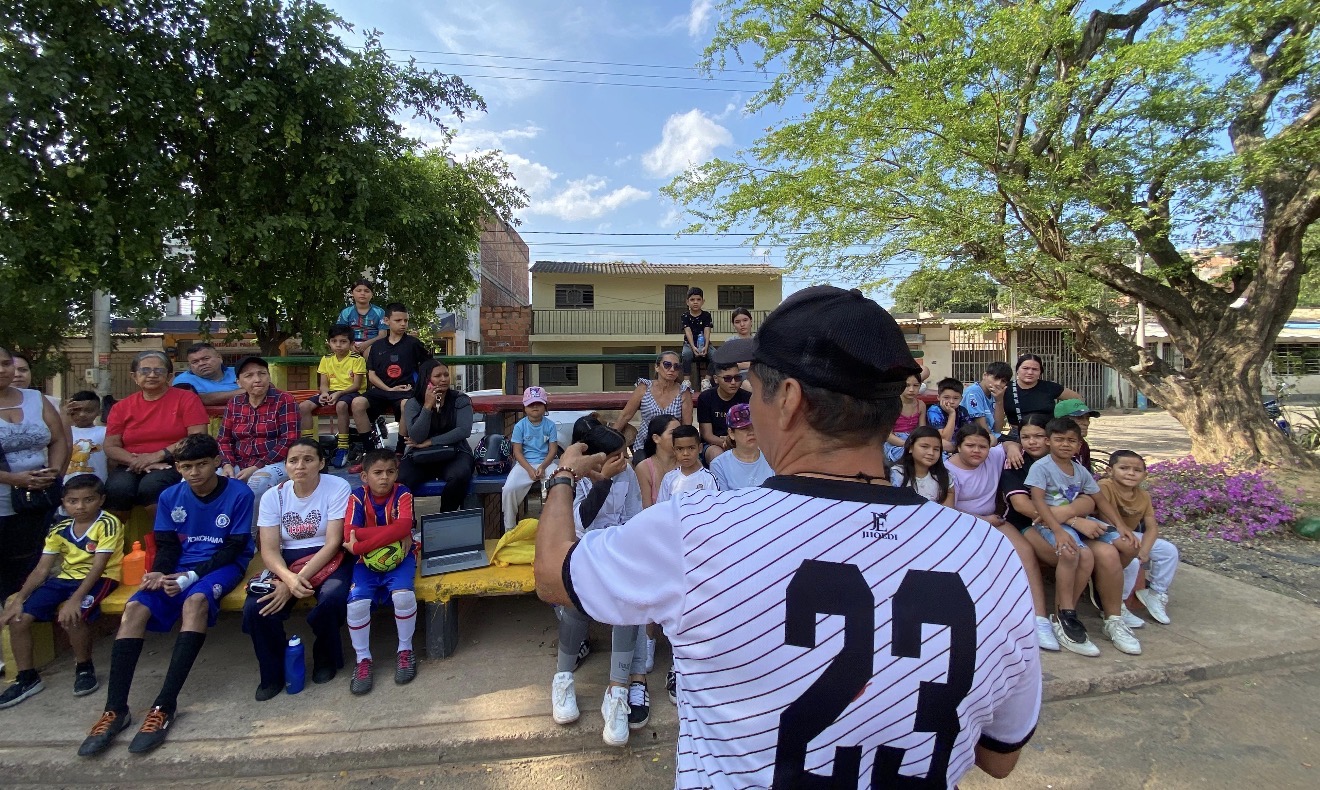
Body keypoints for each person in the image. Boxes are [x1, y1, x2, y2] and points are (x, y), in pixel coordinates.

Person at [534, 286, 1039, 787]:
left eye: (754, 392)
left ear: (790, 400)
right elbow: (999, 757)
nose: (751, 407)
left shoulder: (695, 530)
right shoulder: (992, 554)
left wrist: (562, 478)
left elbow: (555, 572)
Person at [78, 434, 254, 756]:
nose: (195, 472)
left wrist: (190, 577)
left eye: (202, 464)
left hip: (221, 566)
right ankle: (114, 710)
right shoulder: (171, 495)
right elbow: (168, 544)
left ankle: (164, 706)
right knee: (134, 609)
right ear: (177, 467)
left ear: (216, 461)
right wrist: (160, 571)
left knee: (195, 602)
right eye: (187, 466)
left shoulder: (239, 493)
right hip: (179, 566)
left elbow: (234, 547)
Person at [547, 425, 648, 747]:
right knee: (575, 605)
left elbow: (634, 517)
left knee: (628, 600)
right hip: (581, 550)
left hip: (617, 549)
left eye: (624, 454)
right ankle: (562, 680)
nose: (623, 461)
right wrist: (601, 482)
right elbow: (579, 523)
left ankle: (617, 690)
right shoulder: (567, 476)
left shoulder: (628, 474)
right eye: (615, 456)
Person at [242, 438, 351, 699]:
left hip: (328, 556)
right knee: (256, 607)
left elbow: (334, 542)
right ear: (286, 465)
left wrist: (295, 582)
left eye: (308, 459)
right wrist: (288, 579)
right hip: (287, 560)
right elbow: (269, 550)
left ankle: (325, 657)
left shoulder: (337, 487)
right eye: (293, 460)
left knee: (332, 598)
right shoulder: (273, 496)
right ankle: (272, 671)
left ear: (322, 463)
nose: (300, 466)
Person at [0, 475, 122, 708]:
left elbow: (98, 566)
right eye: (73, 501)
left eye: (88, 500)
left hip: (101, 578)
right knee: (18, 619)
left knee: (71, 617)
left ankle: (84, 668)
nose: (80, 506)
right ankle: (27, 678)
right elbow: (41, 569)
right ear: (63, 503)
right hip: (65, 579)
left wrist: (74, 600)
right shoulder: (60, 528)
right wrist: (20, 599)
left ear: (101, 500)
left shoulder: (107, 523)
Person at [1027, 418, 1143, 656]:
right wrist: (1058, 530)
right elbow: (1037, 501)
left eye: (1071, 440)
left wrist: (1120, 526)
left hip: (1080, 521)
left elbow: (1099, 499)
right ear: (1048, 442)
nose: (1065, 445)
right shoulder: (1041, 467)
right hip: (1050, 524)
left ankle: (1106, 602)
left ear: (1080, 444)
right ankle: (1064, 615)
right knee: (1072, 552)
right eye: (1059, 440)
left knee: (1129, 545)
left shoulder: (1079, 469)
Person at [946, 424, 1060, 652]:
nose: (976, 451)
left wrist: (1012, 447)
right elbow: (948, 510)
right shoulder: (947, 469)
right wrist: (982, 519)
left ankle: (1039, 619)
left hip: (995, 520)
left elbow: (1007, 443)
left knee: (1024, 552)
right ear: (958, 447)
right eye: (969, 445)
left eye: (982, 446)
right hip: (961, 523)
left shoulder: (994, 457)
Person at [1000, 413, 1094, 654]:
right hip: (1026, 524)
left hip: (1058, 524)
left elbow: (1088, 498)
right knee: (1070, 554)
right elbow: (1022, 506)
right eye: (1025, 437)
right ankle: (1049, 617)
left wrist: (1073, 516)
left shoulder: (1067, 463)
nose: (1032, 442)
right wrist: (1072, 518)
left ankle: (1064, 616)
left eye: (1039, 436)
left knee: (1088, 556)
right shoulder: (1017, 462)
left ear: (1050, 438)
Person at [343, 450, 417, 694]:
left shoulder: (403, 493)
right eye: (377, 473)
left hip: (401, 557)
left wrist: (361, 544)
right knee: (356, 604)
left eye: (390, 472)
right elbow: (348, 533)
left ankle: (404, 650)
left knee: (403, 596)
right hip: (365, 563)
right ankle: (363, 660)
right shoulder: (356, 497)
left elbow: (405, 526)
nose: (384, 478)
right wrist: (394, 532)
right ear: (364, 476)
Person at [103, 351, 209, 522]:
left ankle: (163, 540)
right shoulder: (121, 407)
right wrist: (137, 461)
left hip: (173, 461)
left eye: (158, 371)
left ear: (169, 376)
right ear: (134, 376)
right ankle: (115, 543)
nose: (152, 375)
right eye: (145, 371)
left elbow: (197, 436)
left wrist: (156, 456)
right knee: (117, 489)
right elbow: (110, 446)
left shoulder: (187, 399)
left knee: (152, 486)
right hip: (132, 462)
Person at [0, 346, 71, 601]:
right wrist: (13, 479)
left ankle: (26, 618)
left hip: (36, 497)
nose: (3, 370)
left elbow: (58, 439)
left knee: (31, 560)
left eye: (6, 363)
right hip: (4, 497)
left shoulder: (34, 398)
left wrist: (53, 472)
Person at [1098, 450, 1180, 625]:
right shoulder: (1105, 486)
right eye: (1124, 468)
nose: (1130, 473)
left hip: (1131, 536)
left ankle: (1156, 593)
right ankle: (1117, 605)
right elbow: (1107, 518)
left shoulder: (1143, 496)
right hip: (1105, 532)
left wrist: (1144, 551)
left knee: (1168, 551)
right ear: (1110, 470)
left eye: (1137, 470)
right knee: (1132, 563)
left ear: (1145, 474)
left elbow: (1151, 528)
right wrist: (1134, 549)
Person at [217, 357, 298, 506]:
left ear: (269, 376)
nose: (257, 379)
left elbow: (289, 440)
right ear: (239, 382)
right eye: (249, 376)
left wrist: (256, 467)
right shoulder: (235, 403)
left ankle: (251, 529)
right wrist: (227, 464)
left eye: (262, 374)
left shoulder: (284, 400)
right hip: (238, 462)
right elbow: (224, 439)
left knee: (257, 483)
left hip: (275, 462)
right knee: (207, 478)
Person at [398, 360, 474, 513]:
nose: (443, 379)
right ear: (427, 379)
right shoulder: (413, 403)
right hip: (420, 455)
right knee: (402, 480)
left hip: (455, 452)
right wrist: (427, 406)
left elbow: (463, 431)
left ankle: (444, 517)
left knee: (460, 476)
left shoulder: (460, 399)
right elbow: (416, 435)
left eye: (446, 375)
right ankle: (407, 522)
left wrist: (431, 442)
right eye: (437, 376)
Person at [364, 303, 433, 453]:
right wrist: (388, 388)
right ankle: (368, 451)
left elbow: (430, 367)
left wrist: (419, 387)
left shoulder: (414, 344)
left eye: (406, 321)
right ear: (387, 321)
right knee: (357, 403)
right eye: (398, 320)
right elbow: (371, 375)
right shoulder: (377, 346)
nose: (403, 324)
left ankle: (400, 450)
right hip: (382, 391)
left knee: (406, 405)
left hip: (405, 391)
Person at [300, 323, 371, 468]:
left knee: (341, 405)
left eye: (343, 341)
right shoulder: (326, 359)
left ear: (351, 344)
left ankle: (343, 446)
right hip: (332, 392)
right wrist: (324, 393)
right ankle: (310, 445)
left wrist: (339, 393)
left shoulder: (357, 360)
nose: (338, 345)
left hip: (351, 392)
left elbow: (357, 385)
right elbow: (324, 384)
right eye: (334, 341)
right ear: (329, 342)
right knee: (304, 406)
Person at [610, 351, 692, 459]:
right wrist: (609, 441)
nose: (672, 369)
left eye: (676, 366)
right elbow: (625, 416)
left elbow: (686, 427)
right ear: (657, 367)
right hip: (644, 444)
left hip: (672, 447)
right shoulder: (644, 387)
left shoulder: (683, 392)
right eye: (667, 365)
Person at [502, 386, 558, 532]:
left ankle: (551, 525)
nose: (534, 407)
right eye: (530, 404)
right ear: (524, 408)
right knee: (509, 489)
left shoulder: (550, 425)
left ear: (545, 407)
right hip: (524, 464)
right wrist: (529, 469)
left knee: (557, 484)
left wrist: (543, 467)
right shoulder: (520, 426)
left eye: (538, 403)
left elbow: (553, 450)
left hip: (546, 463)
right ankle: (509, 527)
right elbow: (517, 452)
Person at [1003, 354, 1083, 429]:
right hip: (1018, 435)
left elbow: (1077, 399)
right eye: (1025, 368)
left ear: (1040, 372)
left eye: (1035, 369)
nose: (1030, 372)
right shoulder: (1006, 388)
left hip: (1048, 434)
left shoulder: (1049, 387)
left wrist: (1064, 420)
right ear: (1017, 369)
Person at [695, 360, 751, 464]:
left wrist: (736, 441)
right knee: (717, 455)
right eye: (728, 378)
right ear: (716, 379)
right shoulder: (706, 398)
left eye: (737, 378)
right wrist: (726, 442)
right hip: (714, 443)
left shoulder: (747, 398)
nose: (733, 382)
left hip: (742, 441)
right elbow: (707, 435)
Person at [708, 403, 772, 491]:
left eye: (755, 426)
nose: (751, 432)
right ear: (731, 433)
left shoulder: (772, 459)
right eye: (744, 428)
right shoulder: (719, 465)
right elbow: (723, 500)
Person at [890, 426, 955, 506]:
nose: (931, 453)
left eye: (936, 449)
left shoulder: (944, 477)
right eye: (924, 447)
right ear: (910, 448)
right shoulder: (896, 475)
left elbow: (947, 512)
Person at [657, 425, 718, 502]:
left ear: (700, 448)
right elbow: (662, 507)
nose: (685, 453)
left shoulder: (709, 478)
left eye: (691, 448)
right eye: (680, 449)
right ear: (674, 450)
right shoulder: (669, 478)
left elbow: (715, 507)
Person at [170, 343, 243, 406]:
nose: (201, 363)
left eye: (206, 358)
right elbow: (202, 399)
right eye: (195, 362)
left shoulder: (239, 372)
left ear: (219, 358)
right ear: (190, 365)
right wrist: (246, 391)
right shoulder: (183, 380)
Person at [635, 414, 679, 508]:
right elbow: (646, 509)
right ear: (656, 438)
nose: (679, 437)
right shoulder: (644, 468)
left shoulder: (688, 463)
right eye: (673, 433)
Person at [63, 391, 107, 482]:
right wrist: (63, 414)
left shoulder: (105, 432)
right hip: (67, 484)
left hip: (97, 484)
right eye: (76, 410)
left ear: (99, 412)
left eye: (89, 411)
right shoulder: (64, 432)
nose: (82, 414)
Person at [883, 373, 925, 463]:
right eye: (907, 385)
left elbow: (922, 430)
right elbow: (887, 435)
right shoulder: (891, 405)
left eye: (916, 385)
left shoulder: (921, 405)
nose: (911, 390)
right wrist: (909, 445)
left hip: (914, 440)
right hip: (895, 444)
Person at [338, 278, 387, 355]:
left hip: (372, 344)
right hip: (350, 345)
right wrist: (350, 345)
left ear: (372, 294)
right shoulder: (346, 312)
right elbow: (340, 333)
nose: (362, 293)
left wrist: (366, 344)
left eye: (367, 291)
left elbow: (382, 335)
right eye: (358, 291)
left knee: (369, 353)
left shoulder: (380, 312)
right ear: (352, 293)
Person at [963, 361, 1012, 437]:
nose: (998, 384)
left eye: (1003, 381)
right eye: (995, 378)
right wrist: (995, 439)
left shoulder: (996, 394)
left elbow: (998, 429)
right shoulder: (974, 392)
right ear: (985, 375)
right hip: (973, 436)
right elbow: (982, 428)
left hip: (990, 436)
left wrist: (999, 401)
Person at [678, 287, 713, 387]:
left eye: (698, 299)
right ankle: (686, 380)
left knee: (715, 355)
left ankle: (706, 380)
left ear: (703, 301)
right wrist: (693, 347)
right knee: (686, 355)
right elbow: (688, 331)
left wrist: (706, 346)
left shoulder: (706, 315)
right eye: (692, 300)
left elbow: (707, 330)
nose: (695, 302)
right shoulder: (685, 315)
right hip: (689, 344)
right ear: (687, 302)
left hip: (705, 343)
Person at [1055, 398, 1100, 473]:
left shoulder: (1083, 444)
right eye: (1079, 418)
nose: (1086, 423)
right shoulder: (1053, 446)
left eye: (1087, 418)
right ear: (1062, 421)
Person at [927, 378, 972, 453]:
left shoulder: (962, 410)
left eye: (955, 398)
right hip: (940, 443)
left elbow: (969, 432)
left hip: (958, 443)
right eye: (946, 397)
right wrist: (952, 414)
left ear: (961, 399)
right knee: (942, 443)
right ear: (938, 397)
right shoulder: (934, 410)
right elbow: (945, 438)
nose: (951, 401)